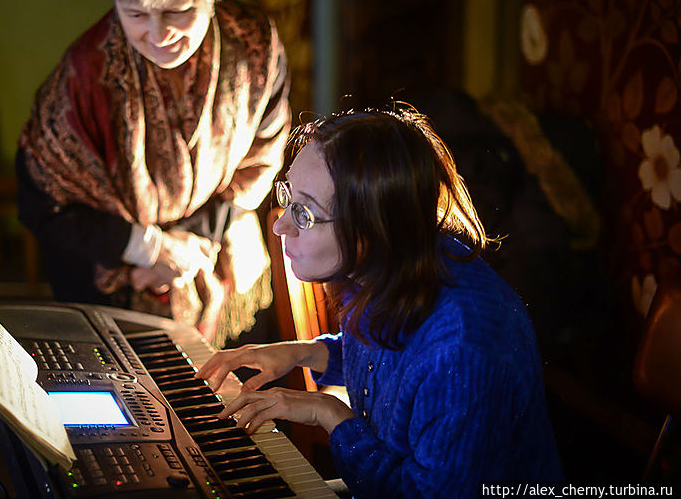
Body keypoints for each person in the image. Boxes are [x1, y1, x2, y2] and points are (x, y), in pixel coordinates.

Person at [196, 106, 562, 498]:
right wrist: (303, 353)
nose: (280, 224)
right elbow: (394, 361)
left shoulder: (464, 348)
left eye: (304, 214)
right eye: (288, 195)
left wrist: (328, 412)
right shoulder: (392, 261)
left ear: (372, 227)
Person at [16, 0, 290, 347]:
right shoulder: (85, 74)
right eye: (136, 15)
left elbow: (265, 146)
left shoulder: (252, 43)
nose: (159, 35)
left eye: (178, 10)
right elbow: (42, 202)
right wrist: (148, 249)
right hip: (112, 279)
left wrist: (192, 243)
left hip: (219, 250)